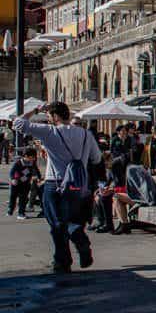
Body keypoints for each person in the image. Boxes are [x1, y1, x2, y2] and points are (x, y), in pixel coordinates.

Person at [13, 102, 102, 273]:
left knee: (56, 223)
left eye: (49, 116)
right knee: (71, 219)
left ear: (55, 116)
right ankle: (78, 240)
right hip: (78, 185)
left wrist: (36, 110)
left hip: (55, 183)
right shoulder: (85, 134)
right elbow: (96, 158)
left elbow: (18, 123)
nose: (48, 119)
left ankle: (63, 260)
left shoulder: (50, 131)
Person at [8, 146, 41, 219]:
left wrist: (39, 177)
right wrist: (13, 179)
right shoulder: (18, 163)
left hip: (26, 183)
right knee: (13, 197)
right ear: (26, 156)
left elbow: (36, 170)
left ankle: (21, 213)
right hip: (16, 183)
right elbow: (12, 172)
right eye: (32, 157)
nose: (34, 158)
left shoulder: (32, 163)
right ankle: (11, 208)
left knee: (23, 198)